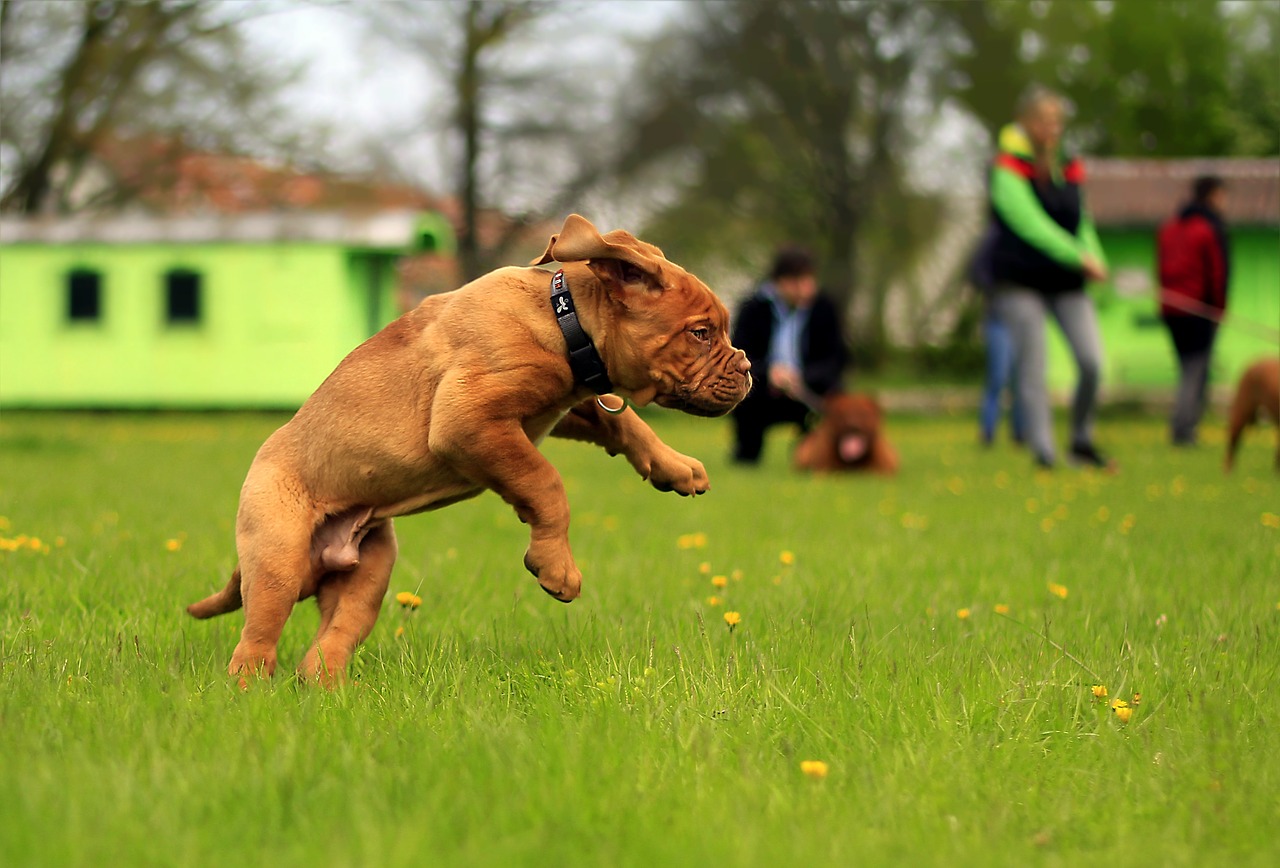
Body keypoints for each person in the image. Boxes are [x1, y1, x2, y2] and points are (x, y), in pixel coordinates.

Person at [988, 86, 1111, 469]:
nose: (1051, 128)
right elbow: (1029, 224)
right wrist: (1077, 256)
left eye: (1057, 121)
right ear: (1026, 123)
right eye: (1044, 121)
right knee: (1032, 368)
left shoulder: (1069, 165)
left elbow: (1082, 220)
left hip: (1068, 283)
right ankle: (1044, 451)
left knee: (1091, 362)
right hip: (1020, 281)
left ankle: (1081, 442)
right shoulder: (1006, 167)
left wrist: (1094, 257)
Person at [730, 247, 848, 464]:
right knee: (743, 396)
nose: (806, 289)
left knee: (836, 395)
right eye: (798, 282)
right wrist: (769, 373)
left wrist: (802, 377)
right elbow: (740, 353)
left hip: (809, 390)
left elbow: (836, 358)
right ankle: (746, 456)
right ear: (780, 283)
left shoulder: (824, 308)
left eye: (809, 280)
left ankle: (817, 457)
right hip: (764, 388)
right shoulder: (753, 308)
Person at [1157, 175, 1230, 446]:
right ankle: (1183, 430)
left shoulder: (1169, 227)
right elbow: (1217, 273)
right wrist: (1219, 310)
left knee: (1188, 368)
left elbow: (1160, 269)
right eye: (1222, 195)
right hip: (1199, 310)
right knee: (1195, 370)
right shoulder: (1208, 229)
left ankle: (1185, 426)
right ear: (1212, 195)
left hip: (1171, 308)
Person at [971, 224, 1025, 447]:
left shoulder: (1029, 234)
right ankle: (988, 432)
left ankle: (1020, 434)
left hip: (1023, 319)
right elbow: (976, 272)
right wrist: (998, 288)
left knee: (1021, 379)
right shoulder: (994, 236)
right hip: (999, 319)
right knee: (998, 377)